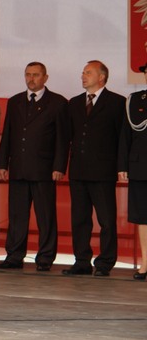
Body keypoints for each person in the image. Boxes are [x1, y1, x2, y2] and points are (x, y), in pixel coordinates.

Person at [0, 61, 69, 271]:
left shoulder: (57, 102)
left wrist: (59, 166)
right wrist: (2, 163)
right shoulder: (15, 101)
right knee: (17, 215)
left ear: (45, 77)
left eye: (36, 75)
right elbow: (8, 134)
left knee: (45, 216)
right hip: (19, 167)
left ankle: (45, 257)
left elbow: (62, 139)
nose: (31, 78)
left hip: (44, 169)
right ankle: (14, 256)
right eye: (28, 74)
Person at [63, 61, 124, 277]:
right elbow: (67, 137)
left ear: (101, 77)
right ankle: (81, 261)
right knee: (80, 219)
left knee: (106, 220)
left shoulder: (117, 102)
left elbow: (122, 138)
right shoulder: (74, 103)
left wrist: (122, 167)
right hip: (78, 170)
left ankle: (105, 262)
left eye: (88, 72)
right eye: (83, 72)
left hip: (103, 171)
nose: (83, 76)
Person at [118, 62, 147, 280]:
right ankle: (146, 263)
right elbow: (125, 136)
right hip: (140, 167)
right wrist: (123, 166)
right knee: (143, 217)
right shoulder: (135, 100)